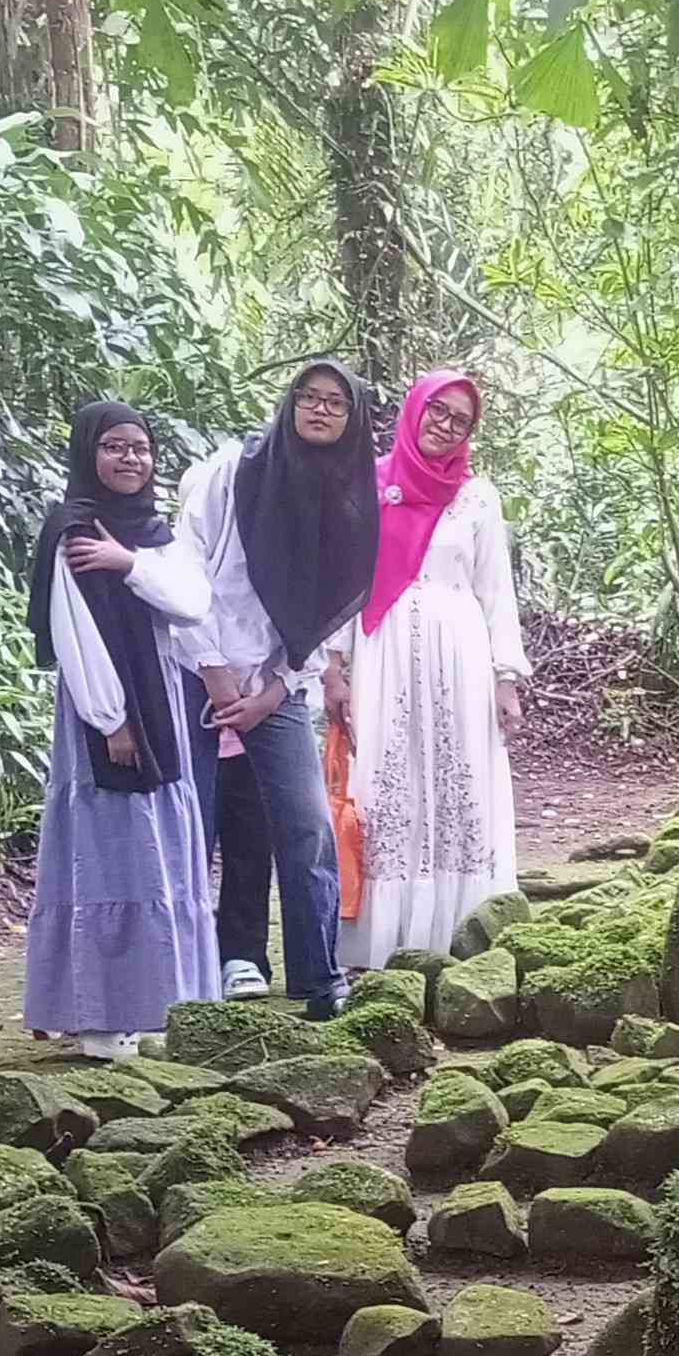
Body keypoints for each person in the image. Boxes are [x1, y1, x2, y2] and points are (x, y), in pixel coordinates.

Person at [172, 353, 381, 1019]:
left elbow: (322, 609)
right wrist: (211, 667)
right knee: (189, 829)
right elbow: (185, 566)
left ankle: (320, 981)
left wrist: (275, 686)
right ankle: (181, 983)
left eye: (335, 403)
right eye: (309, 398)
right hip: (193, 671)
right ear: (290, 404)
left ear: (352, 420)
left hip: (275, 684)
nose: (320, 410)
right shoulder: (233, 470)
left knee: (306, 827)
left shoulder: (343, 496)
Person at [23, 399, 217, 1057]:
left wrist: (129, 562)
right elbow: (73, 636)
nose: (130, 459)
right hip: (102, 714)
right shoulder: (73, 530)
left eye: (140, 447)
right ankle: (103, 1021)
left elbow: (192, 603)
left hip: (159, 698)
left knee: (158, 849)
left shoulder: (152, 534)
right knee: (107, 855)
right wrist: (111, 723)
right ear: (88, 454)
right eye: (115, 447)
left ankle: (161, 1006)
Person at [328, 367, 528, 969]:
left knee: (459, 782)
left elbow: (497, 591)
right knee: (389, 782)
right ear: (415, 409)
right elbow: (345, 579)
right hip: (382, 651)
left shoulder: (478, 496)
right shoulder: (367, 482)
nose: (445, 426)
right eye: (438, 411)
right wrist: (333, 666)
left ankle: (466, 936)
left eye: (460, 420)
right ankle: (386, 942)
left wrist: (506, 677)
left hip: (461, 656)